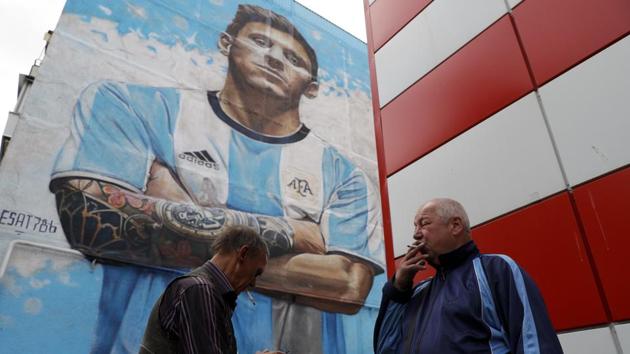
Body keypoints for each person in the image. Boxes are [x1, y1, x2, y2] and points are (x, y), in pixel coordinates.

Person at [49, 4, 384, 354]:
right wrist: (294, 233)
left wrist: (170, 216)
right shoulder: (134, 105)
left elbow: (347, 284)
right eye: (259, 41)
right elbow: (89, 218)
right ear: (226, 43)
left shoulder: (345, 174)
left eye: (293, 59)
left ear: (312, 88)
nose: (274, 59)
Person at [374, 198, 563, 354]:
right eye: (415, 227)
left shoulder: (495, 269)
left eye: (424, 223)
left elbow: (533, 342)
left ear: (455, 226)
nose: (416, 235)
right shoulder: (418, 292)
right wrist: (398, 288)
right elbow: (386, 348)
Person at [139, 226, 269, 354]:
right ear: (243, 253)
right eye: (256, 273)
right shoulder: (200, 290)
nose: (253, 283)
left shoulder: (209, 293)